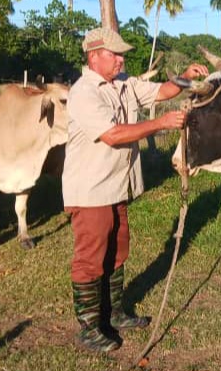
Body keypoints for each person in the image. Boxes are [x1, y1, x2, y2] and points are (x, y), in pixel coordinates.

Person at [63, 27, 208, 352]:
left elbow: (161, 92)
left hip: (117, 187)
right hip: (90, 190)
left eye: (121, 53)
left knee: (117, 251)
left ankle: (114, 314)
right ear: (93, 56)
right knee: (91, 257)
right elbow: (112, 134)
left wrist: (184, 77)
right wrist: (160, 124)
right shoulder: (84, 92)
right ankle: (88, 327)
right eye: (114, 54)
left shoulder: (125, 83)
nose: (121, 59)